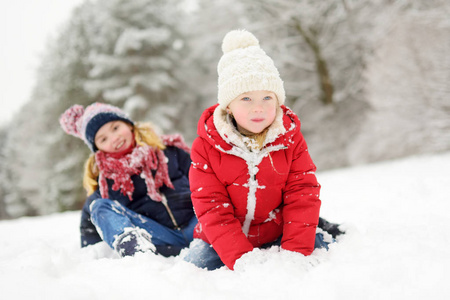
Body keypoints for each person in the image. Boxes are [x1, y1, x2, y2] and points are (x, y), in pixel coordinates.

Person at [184, 30, 343, 270]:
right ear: (228, 106)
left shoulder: (290, 139)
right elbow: (212, 208)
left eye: (267, 98)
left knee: (324, 254)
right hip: (221, 240)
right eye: (246, 99)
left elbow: (302, 194)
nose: (258, 108)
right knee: (193, 268)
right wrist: (242, 260)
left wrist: (295, 253)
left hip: (277, 231)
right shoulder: (206, 146)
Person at [59, 103, 196, 257]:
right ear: (98, 148)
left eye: (115, 128)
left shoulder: (168, 151)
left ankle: (209, 242)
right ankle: (137, 252)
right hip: (158, 237)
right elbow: (90, 221)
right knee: (99, 206)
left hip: (196, 225)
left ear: (129, 125)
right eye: (103, 139)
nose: (114, 138)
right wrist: (91, 251)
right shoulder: (106, 181)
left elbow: (204, 180)